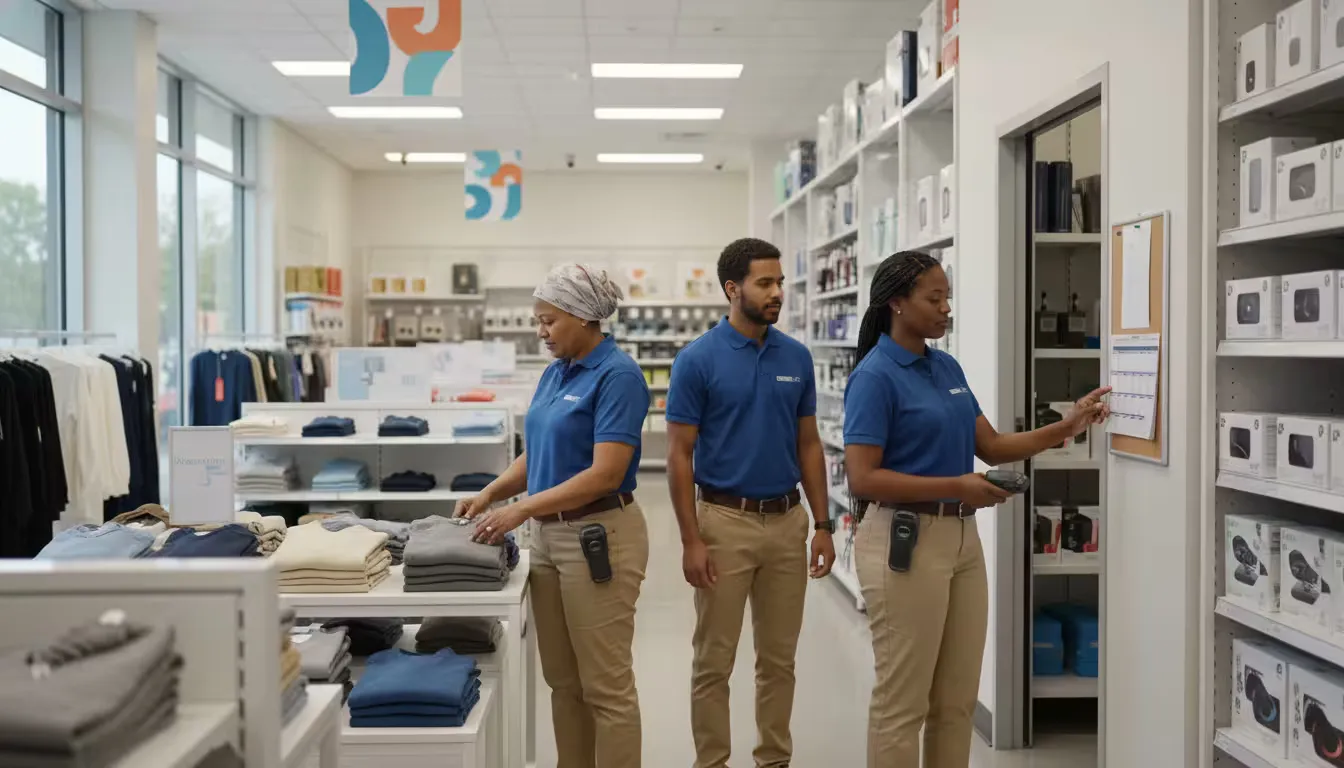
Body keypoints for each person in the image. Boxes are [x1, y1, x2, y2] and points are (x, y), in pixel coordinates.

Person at [842, 251, 1109, 768]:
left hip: (961, 541)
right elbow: (863, 477)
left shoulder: (945, 366)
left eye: (949, 298)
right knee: (903, 704)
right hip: (904, 542)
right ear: (897, 303)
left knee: (956, 700)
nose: (946, 310)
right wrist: (957, 486)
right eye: (934, 298)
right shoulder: (875, 376)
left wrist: (1065, 427)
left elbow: (989, 445)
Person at [455, 263, 651, 768]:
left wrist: (520, 509)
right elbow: (537, 450)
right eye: (537, 320)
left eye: (549, 320)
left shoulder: (618, 376)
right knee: (562, 682)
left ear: (585, 317)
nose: (540, 331)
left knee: (606, 685)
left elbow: (606, 473)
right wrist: (492, 492)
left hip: (598, 536)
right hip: (547, 539)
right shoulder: (554, 372)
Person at [666, 237, 836, 768]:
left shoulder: (796, 357)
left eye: (780, 282)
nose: (777, 292)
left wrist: (824, 524)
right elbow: (679, 455)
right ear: (732, 289)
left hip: (787, 522)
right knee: (713, 661)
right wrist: (691, 538)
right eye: (765, 283)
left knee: (779, 661)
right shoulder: (697, 360)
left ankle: (773, 760)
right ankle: (712, 761)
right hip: (723, 523)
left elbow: (809, 444)